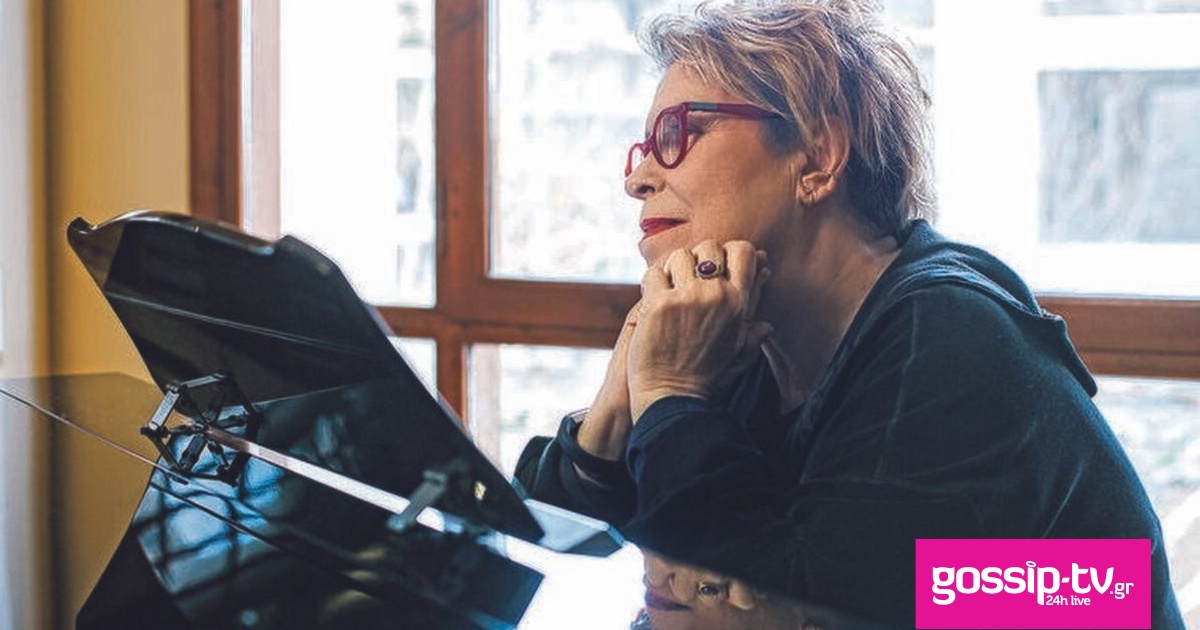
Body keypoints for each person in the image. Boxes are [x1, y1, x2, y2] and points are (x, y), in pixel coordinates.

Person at [514, 0, 1185, 627]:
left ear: (817, 156)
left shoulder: (950, 331)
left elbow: (804, 598)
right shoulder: (745, 345)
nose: (637, 178)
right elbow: (534, 565)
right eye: (645, 147)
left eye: (680, 132)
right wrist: (611, 421)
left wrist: (671, 394)